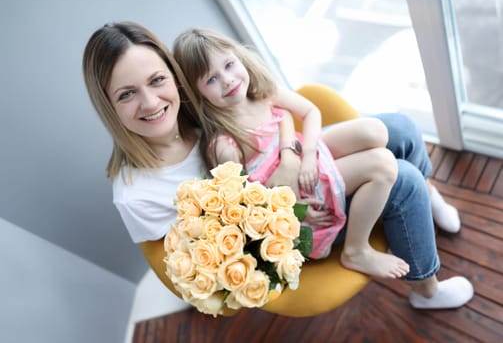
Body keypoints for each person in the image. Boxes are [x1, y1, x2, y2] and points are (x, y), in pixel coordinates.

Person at [82, 21, 473, 310]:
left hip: (293, 171)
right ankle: (428, 289)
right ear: (109, 106)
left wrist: (291, 153)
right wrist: (294, 212)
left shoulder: (199, 113)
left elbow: (270, 114)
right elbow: (226, 257)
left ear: (179, 81)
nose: (151, 103)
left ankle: (427, 193)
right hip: (297, 224)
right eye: (127, 94)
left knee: (399, 128)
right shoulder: (139, 194)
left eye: (157, 80)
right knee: (399, 177)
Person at [173, 28, 409, 279]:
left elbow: (309, 112)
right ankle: (356, 250)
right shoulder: (226, 145)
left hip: (305, 159)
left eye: (229, 65)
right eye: (211, 80)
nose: (228, 80)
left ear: (239, 57)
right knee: (382, 164)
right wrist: (299, 210)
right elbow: (249, 202)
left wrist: (306, 155)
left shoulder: (261, 94)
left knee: (375, 131)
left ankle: (408, 189)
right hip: (301, 191)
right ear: (198, 94)